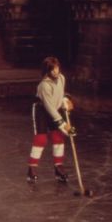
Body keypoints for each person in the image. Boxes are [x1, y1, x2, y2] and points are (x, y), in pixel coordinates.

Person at [26, 56, 74, 184]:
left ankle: (58, 167)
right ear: (47, 71)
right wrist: (62, 124)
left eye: (57, 68)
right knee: (41, 139)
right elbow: (49, 106)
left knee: (58, 137)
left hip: (55, 109)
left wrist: (65, 100)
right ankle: (32, 168)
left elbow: (60, 94)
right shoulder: (44, 85)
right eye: (52, 70)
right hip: (42, 110)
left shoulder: (62, 78)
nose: (56, 72)